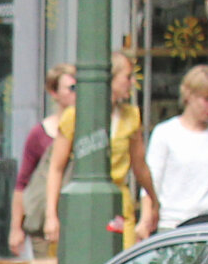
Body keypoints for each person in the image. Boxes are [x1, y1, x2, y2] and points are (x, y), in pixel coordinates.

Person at [42, 50, 160, 251]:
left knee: (121, 262)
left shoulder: (131, 116)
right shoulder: (75, 116)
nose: (132, 83)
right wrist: (51, 215)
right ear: (110, 79)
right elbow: (56, 168)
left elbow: (140, 166)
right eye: (128, 77)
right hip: (82, 205)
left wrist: (154, 201)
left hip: (119, 205)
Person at [145, 63, 208, 228]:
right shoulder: (165, 133)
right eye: (207, 99)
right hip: (174, 224)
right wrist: (146, 221)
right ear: (188, 95)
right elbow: (151, 183)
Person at [10, 63, 76, 257]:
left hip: (75, 217)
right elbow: (23, 182)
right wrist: (16, 228)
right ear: (54, 93)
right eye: (71, 88)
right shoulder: (40, 134)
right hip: (44, 219)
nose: (77, 93)